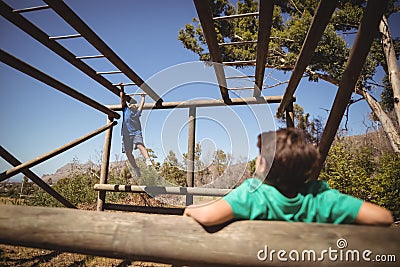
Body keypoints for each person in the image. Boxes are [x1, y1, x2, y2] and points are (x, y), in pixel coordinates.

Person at [184, 128, 393, 227]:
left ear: (264, 165)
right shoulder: (322, 198)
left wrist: (189, 209)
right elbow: (383, 217)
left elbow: (208, 216)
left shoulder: (254, 195)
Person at [119, 83, 153, 177]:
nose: (133, 105)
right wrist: (122, 88)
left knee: (140, 145)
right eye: (131, 104)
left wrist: (143, 98)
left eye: (135, 104)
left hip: (136, 133)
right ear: (129, 105)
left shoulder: (137, 113)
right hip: (126, 135)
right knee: (128, 152)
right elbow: (122, 98)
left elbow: (141, 105)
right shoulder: (125, 110)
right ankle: (136, 168)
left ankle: (148, 161)